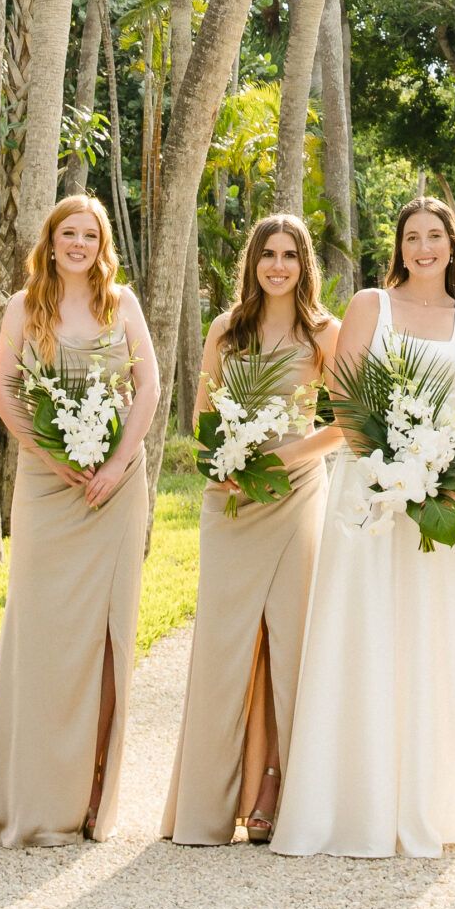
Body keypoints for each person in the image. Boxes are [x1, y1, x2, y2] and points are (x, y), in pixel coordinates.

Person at [272, 195, 455, 858]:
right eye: (412, 237)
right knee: (362, 632)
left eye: (435, 236)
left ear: (453, 246)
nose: (423, 248)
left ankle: (424, 803)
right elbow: (343, 394)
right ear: (399, 247)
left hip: (440, 498)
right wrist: (389, 465)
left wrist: (446, 481)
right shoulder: (371, 305)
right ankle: (351, 804)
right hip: (367, 490)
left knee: (431, 638)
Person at [0, 194, 160, 847]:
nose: (78, 244)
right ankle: (35, 793)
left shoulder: (122, 305)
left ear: (101, 245)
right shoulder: (23, 308)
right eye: (68, 233)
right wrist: (48, 454)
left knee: (107, 634)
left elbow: (148, 389)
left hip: (115, 487)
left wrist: (118, 464)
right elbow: (4, 389)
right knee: (41, 633)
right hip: (46, 485)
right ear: (50, 243)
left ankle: (93, 795)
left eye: (89, 235)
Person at [164, 213, 340, 845]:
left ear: (304, 264)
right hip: (230, 502)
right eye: (268, 254)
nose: (278, 266)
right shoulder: (225, 330)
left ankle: (281, 788)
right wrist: (228, 464)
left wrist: (280, 460)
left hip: (296, 497)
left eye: (289, 255)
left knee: (291, 645)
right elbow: (202, 418)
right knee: (224, 645)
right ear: (253, 262)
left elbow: (347, 423)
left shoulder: (324, 333)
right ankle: (206, 806)